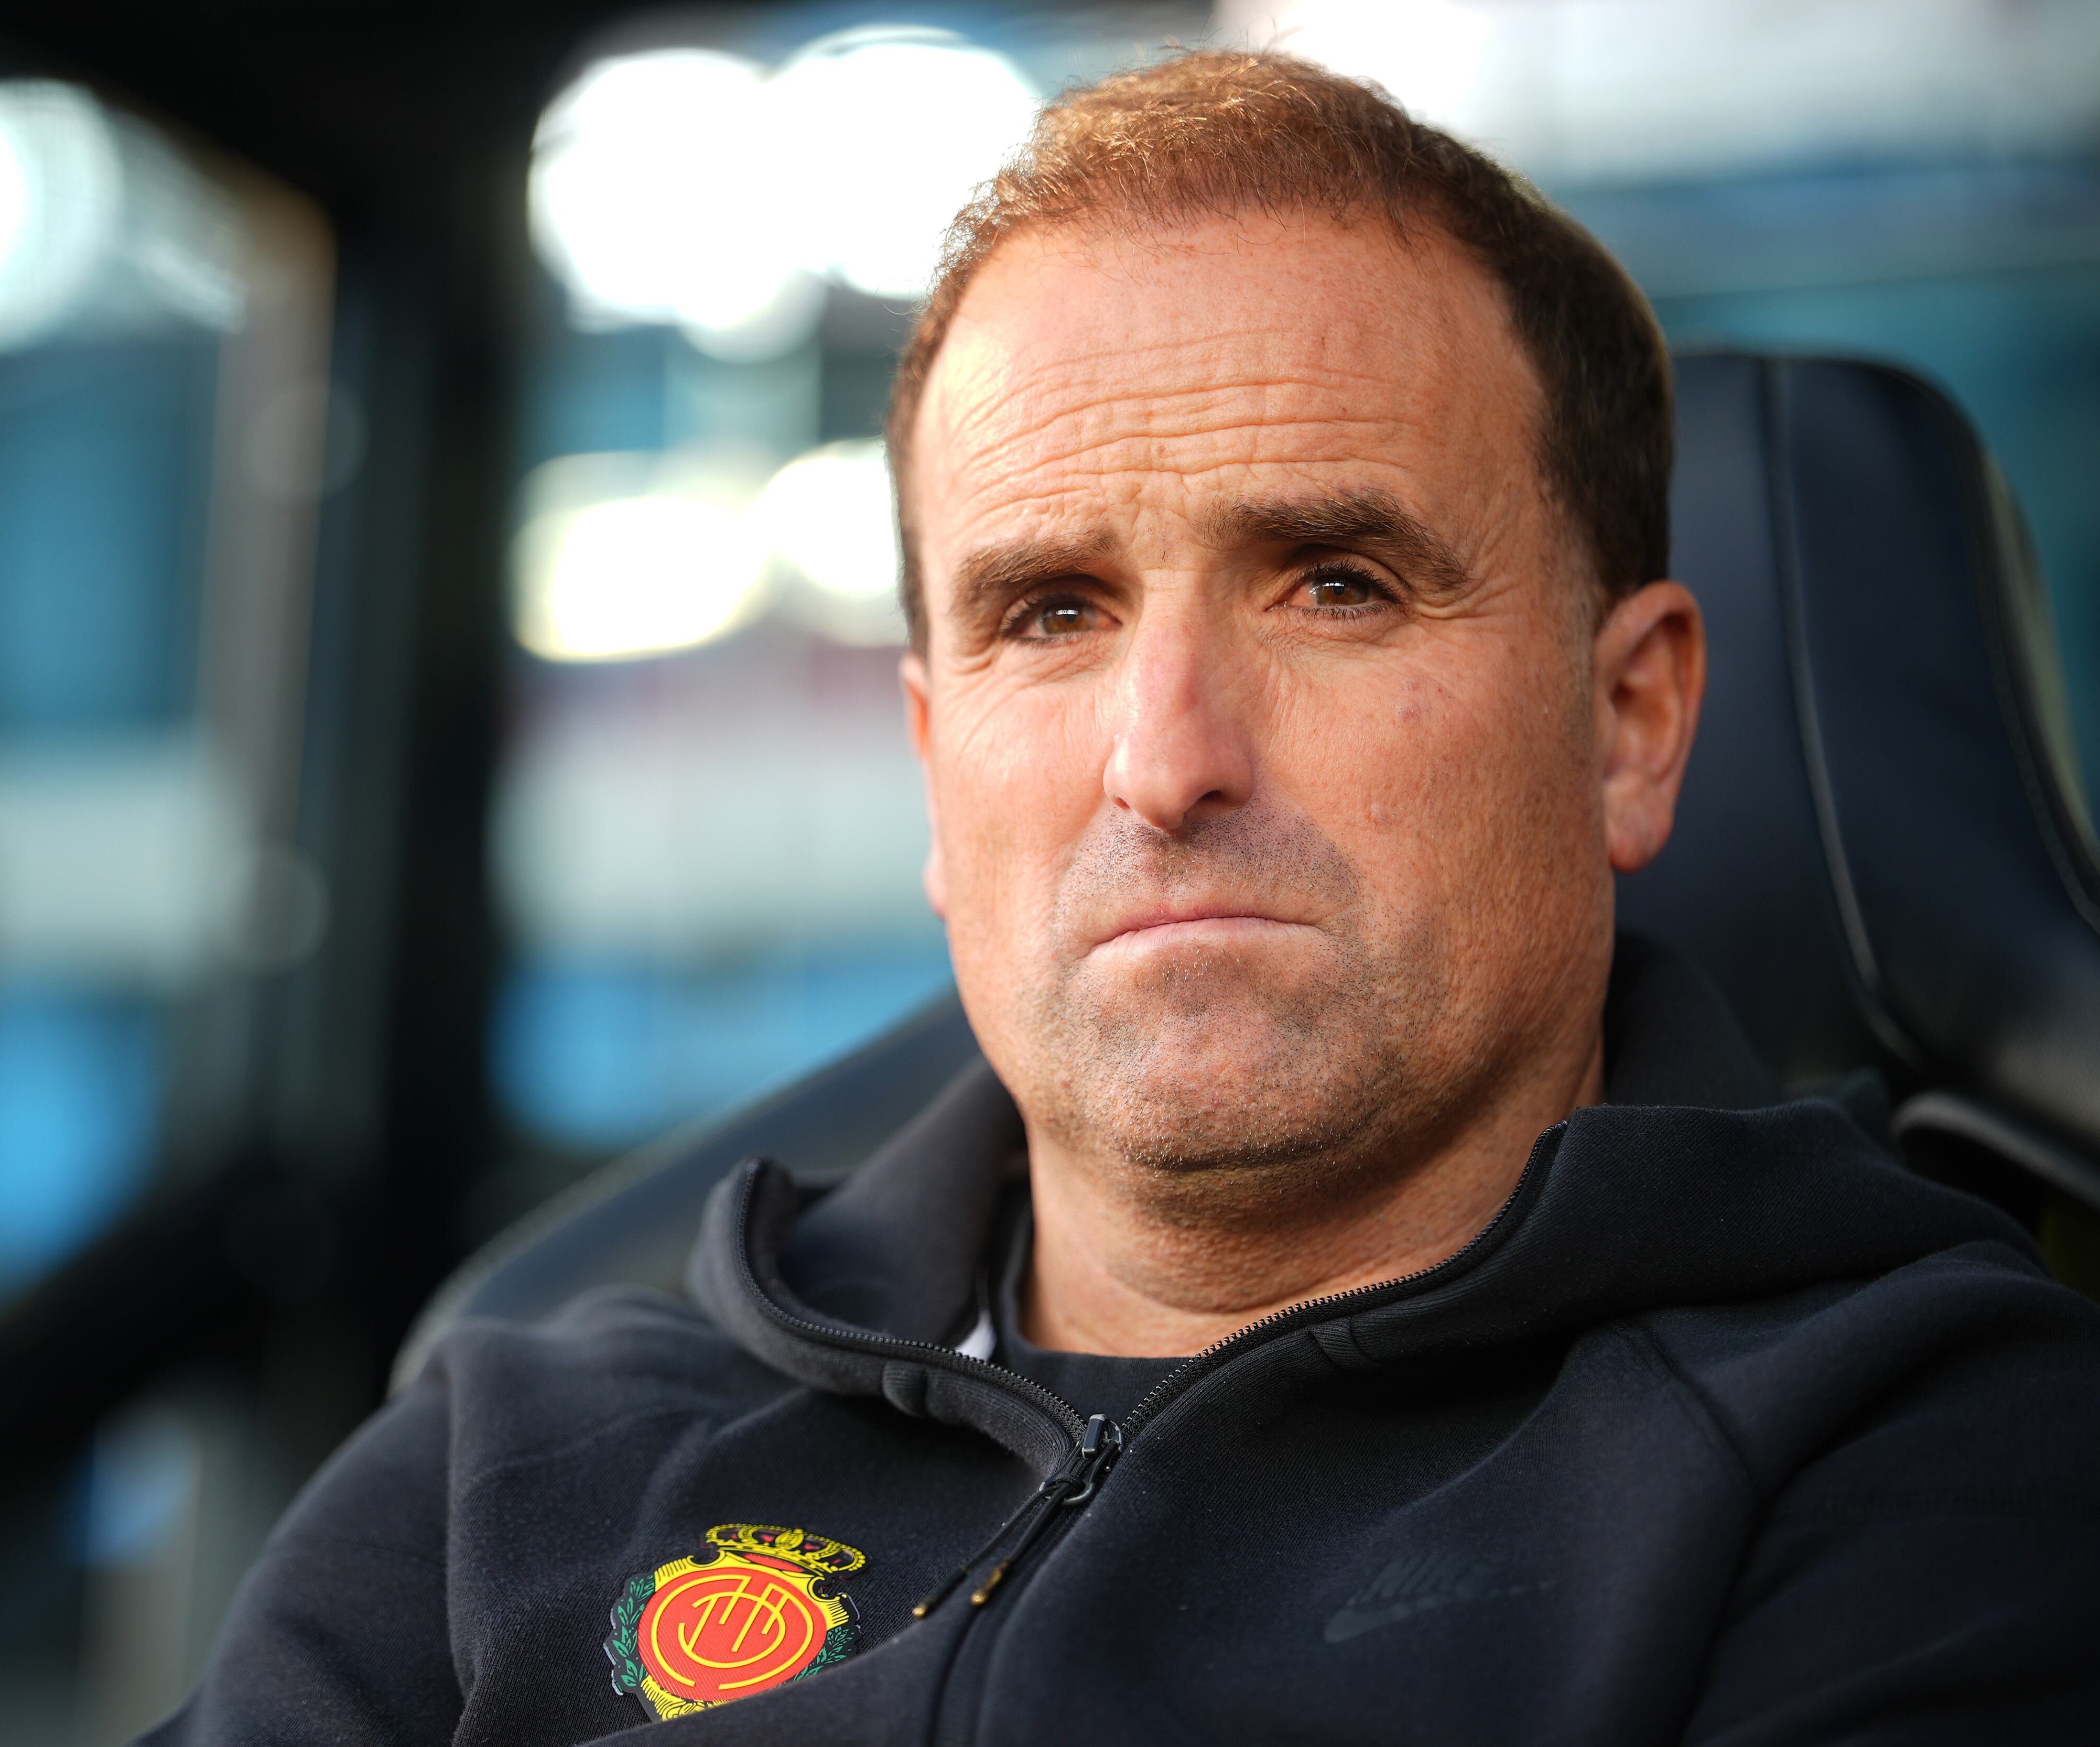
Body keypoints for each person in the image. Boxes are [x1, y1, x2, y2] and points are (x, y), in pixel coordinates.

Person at [148, 51, 2100, 1745]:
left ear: (1629, 721)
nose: (1165, 760)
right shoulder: (510, 1460)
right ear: (932, 764)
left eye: (1335, 583)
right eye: (1050, 612)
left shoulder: (1933, 1462)